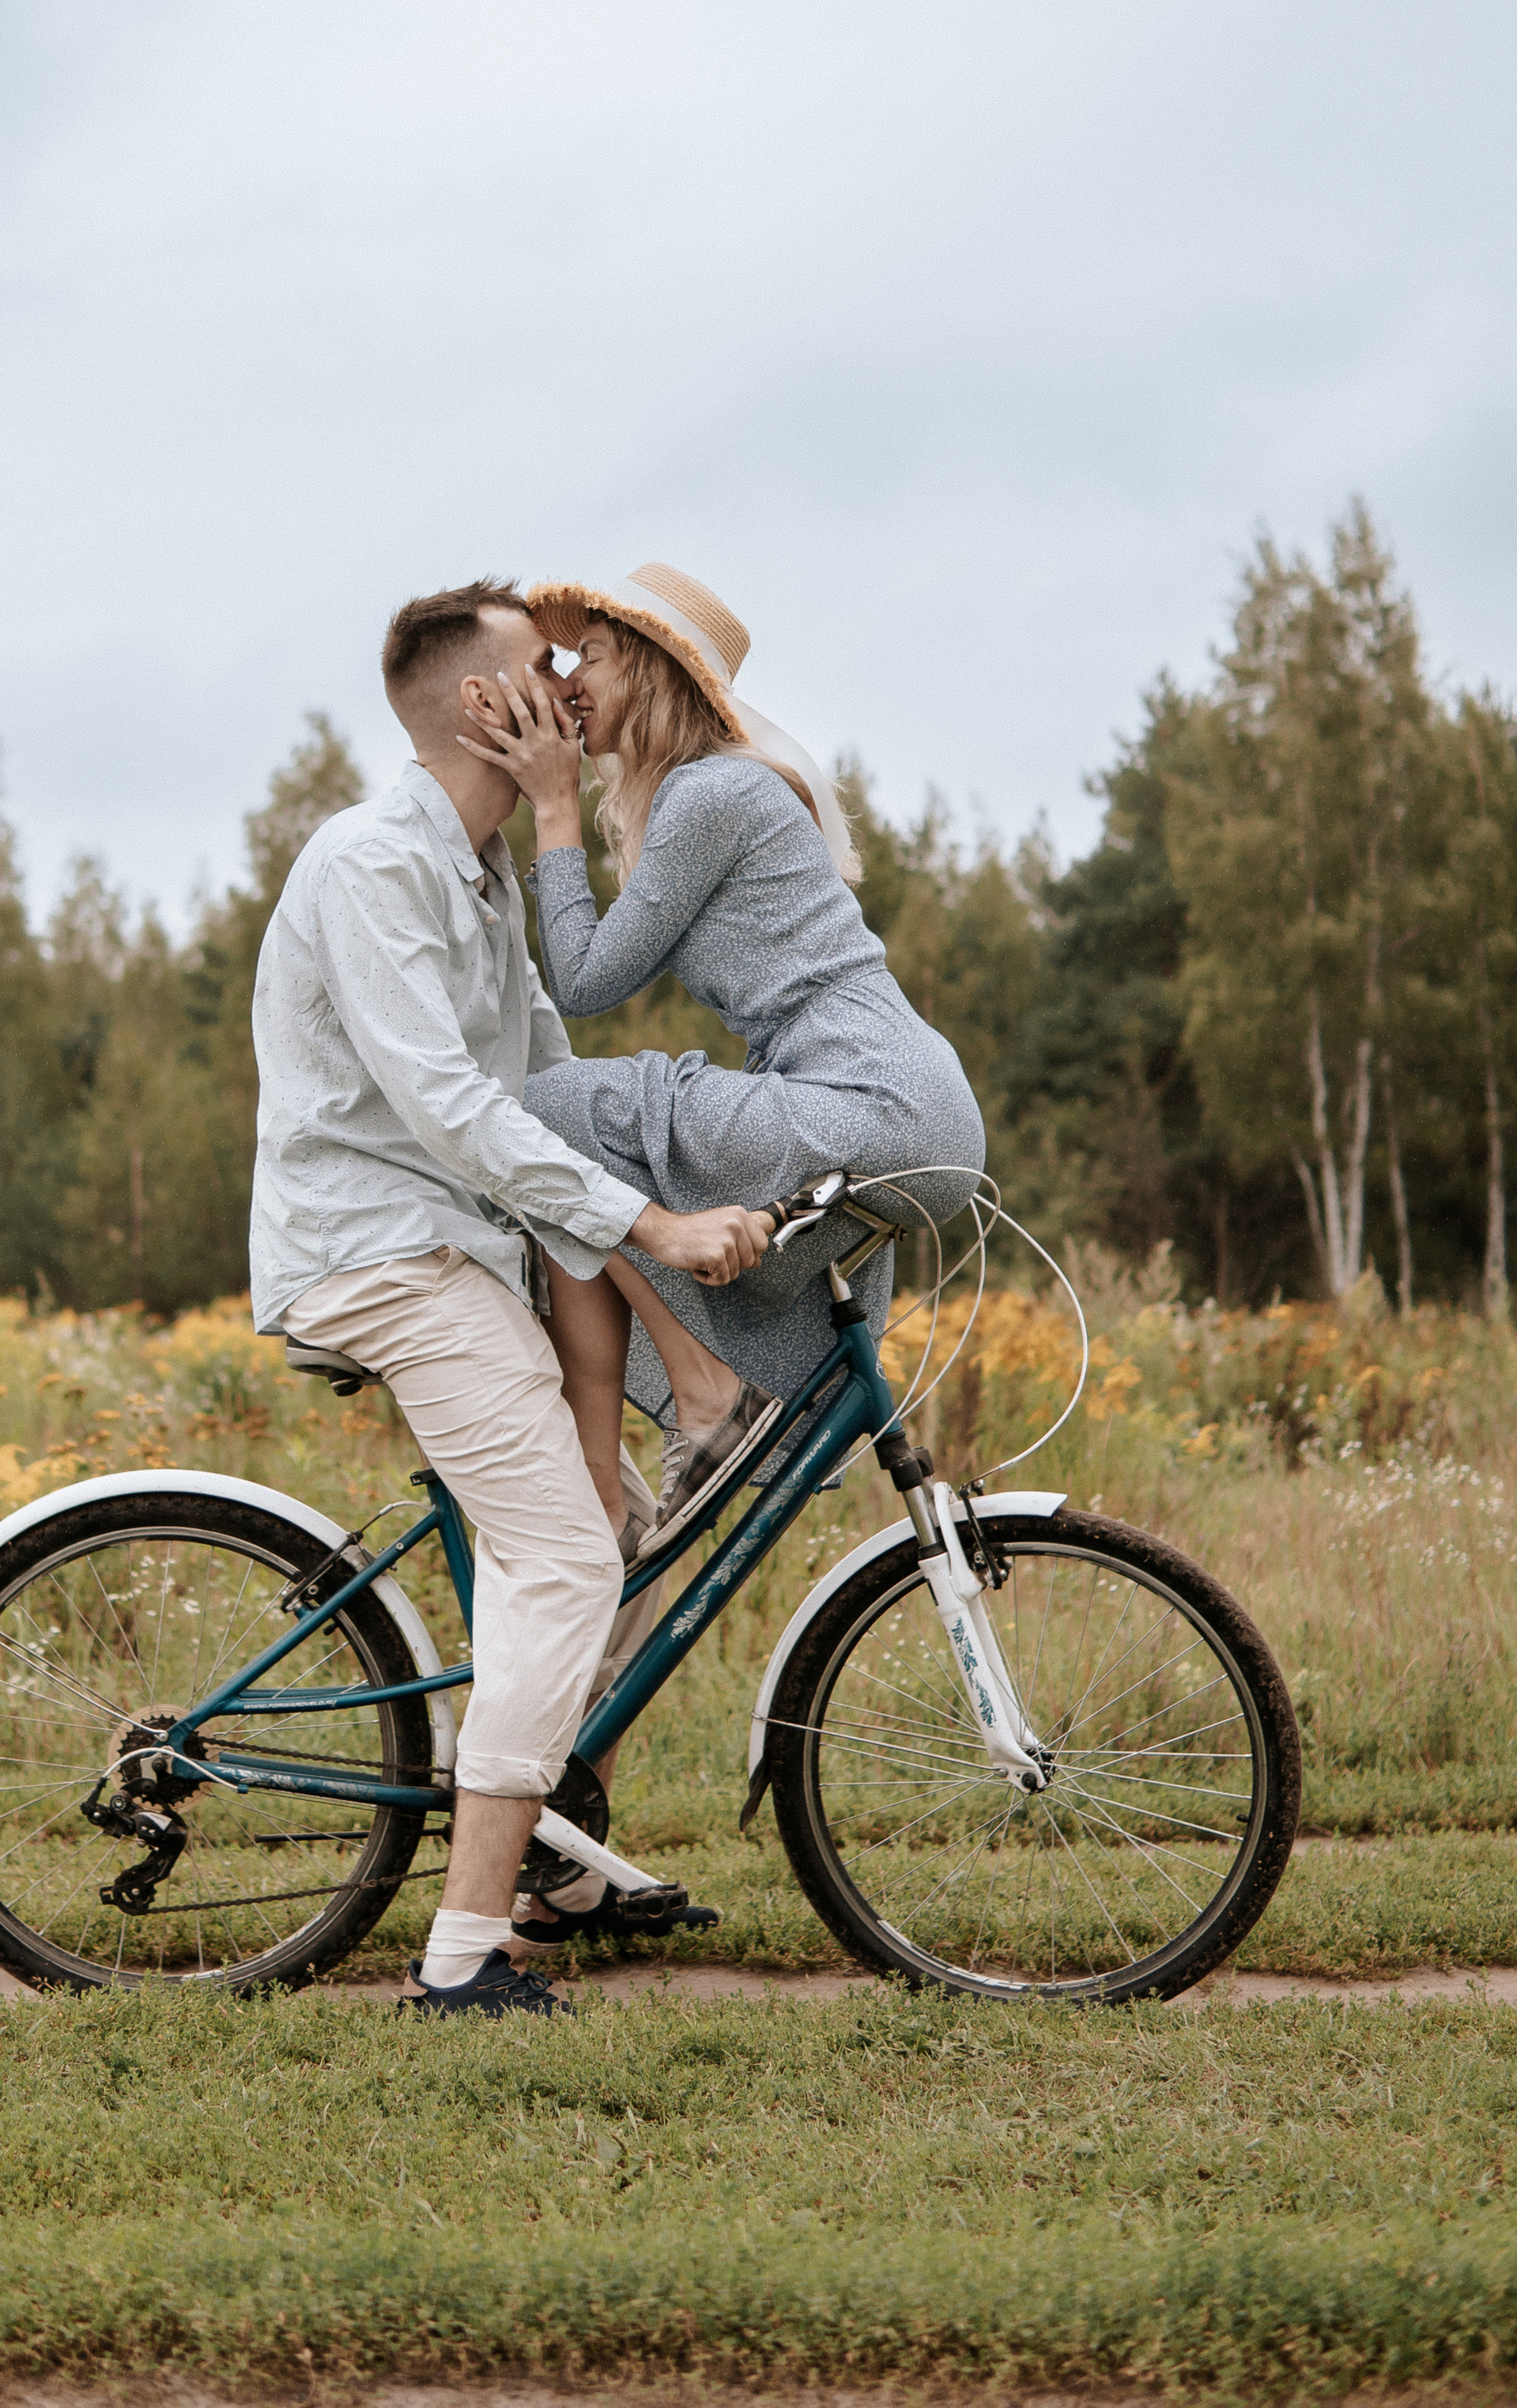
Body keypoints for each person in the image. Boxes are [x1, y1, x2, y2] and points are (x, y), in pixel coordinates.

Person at [249, 576, 770, 2022]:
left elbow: (548, 1094)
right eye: (544, 664)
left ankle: (538, 1849)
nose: (571, 679)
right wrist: (659, 1225)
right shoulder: (374, 866)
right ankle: (463, 1956)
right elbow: (454, 1109)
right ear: (486, 705)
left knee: (593, 1528)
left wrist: (679, 1206)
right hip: (386, 1258)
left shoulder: (480, 878)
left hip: (460, 1249)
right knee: (565, 1562)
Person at [458, 560, 986, 1551]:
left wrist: (555, 810)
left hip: (872, 1103)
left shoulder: (711, 795)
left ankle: (702, 1404)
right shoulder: (719, 793)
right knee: (603, 1162)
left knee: (548, 1106)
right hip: (901, 1106)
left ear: (655, 674)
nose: (570, 683)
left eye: (595, 659)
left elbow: (580, 980)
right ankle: (612, 1503)